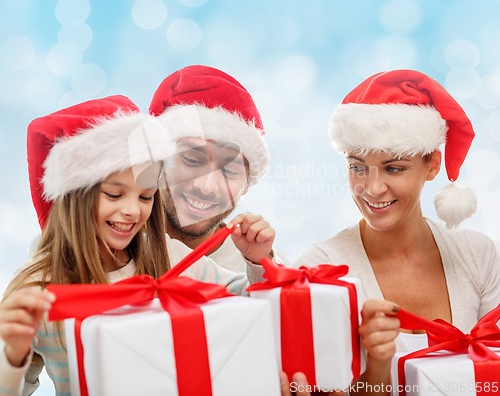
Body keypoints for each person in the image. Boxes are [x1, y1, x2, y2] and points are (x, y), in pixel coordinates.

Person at [0, 95, 274, 395]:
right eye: (115, 195)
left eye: (145, 197)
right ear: (74, 199)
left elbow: (250, 303)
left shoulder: (168, 256)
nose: (133, 210)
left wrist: (257, 262)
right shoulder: (36, 289)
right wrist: (13, 356)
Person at [294, 70, 500, 395]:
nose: (373, 188)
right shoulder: (319, 271)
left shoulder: (478, 255)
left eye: (393, 168)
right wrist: (376, 366)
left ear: (432, 164)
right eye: (357, 166)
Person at [149, 65, 287, 271]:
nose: (206, 186)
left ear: (248, 184)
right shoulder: (110, 248)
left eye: (229, 171)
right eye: (192, 160)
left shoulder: (262, 266)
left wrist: (264, 267)